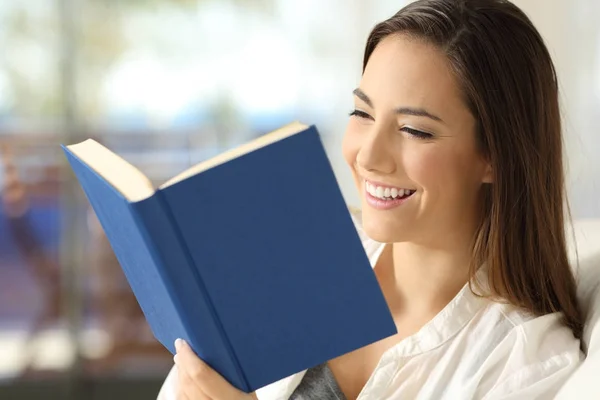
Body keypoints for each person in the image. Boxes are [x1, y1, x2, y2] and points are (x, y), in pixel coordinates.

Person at [158, 0, 584, 398]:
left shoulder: (527, 364)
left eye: (415, 130)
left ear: (494, 156)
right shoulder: (295, 258)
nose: (367, 156)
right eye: (362, 114)